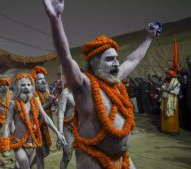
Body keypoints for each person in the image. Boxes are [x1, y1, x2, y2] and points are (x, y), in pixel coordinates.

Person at [42, 0, 160, 168]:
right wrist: (56, 19)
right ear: (95, 63)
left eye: (117, 58)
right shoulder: (84, 85)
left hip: (122, 158)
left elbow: (134, 59)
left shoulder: (114, 79)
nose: (117, 63)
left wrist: (148, 38)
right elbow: (65, 57)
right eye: (110, 59)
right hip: (93, 160)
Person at [0, 73, 66, 169]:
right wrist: (4, 141)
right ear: (18, 87)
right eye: (23, 85)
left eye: (29, 85)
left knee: (27, 165)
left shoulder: (36, 100)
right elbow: (8, 123)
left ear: (32, 86)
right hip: (19, 143)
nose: (26, 87)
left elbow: (46, 117)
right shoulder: (13, 103)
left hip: (34, 143)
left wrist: (58, 133)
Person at [31, 66, 56, 159]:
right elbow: (37, 110)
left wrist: (53, 104)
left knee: (45, 152)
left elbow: (49, 107)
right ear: (35, 81)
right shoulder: (33, 93)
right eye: (40, 79)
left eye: (44, 78)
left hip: (45, 123)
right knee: (41, 152)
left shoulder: (47, 91)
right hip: (36, 125)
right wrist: (49, 102)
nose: (43, 81)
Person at [56, 85, 75, 169]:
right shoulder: (65, 93)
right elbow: (60, 113)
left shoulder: (83, 91)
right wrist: (60, 133)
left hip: (81, 129)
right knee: (67, 157)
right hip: (68, 129)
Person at [160, 69, 180, 134]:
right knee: (165, 115)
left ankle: (172, 130)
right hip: (165, 101)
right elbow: (163, 88)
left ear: (171, 75)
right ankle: (165, 129)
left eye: (168, 74)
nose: (166, 76)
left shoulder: (176, 82)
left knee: (171, 115)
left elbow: (176, 92)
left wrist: (167, 90)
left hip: (171, 101)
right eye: (166, 74)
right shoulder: (166, 82)